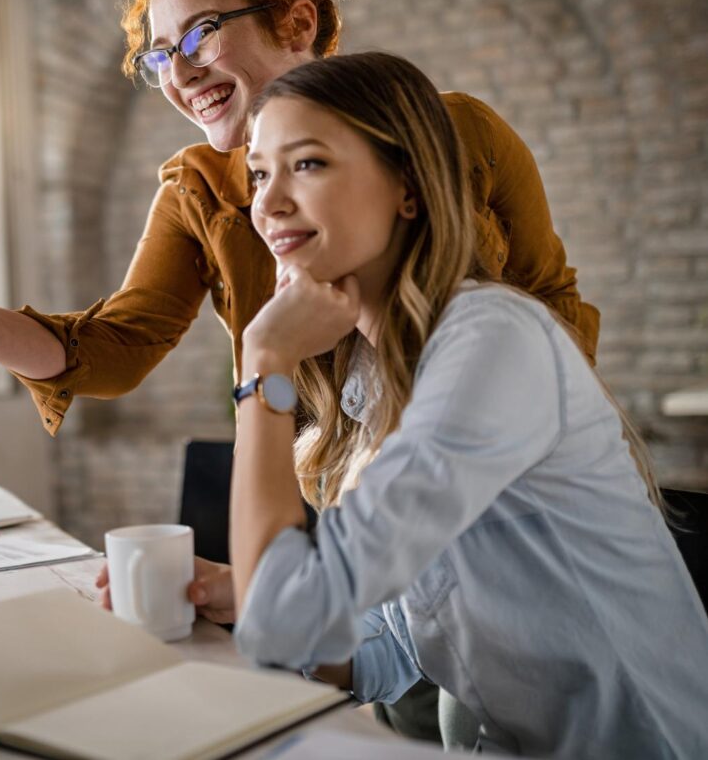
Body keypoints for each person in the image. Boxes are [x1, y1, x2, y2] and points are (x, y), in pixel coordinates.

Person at [0, 0, 598, 740]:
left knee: (477, 702)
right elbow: (116, 345)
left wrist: (475, 438)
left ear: (298, 21)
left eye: (199, 34)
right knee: (380, 703)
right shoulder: (198, 187)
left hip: (488, 501)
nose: (178, 69)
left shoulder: (455, 138)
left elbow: (551, 310)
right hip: (333, 502)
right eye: (160, 52)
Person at [226, 51, 708, 757]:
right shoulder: (380, 374)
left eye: (307, 164)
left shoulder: (493, 342)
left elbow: (281, 629)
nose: (265, 204)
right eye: (260, 173)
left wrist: (262, 364)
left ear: (409, 188)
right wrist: (245, 592)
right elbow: (395, 644)